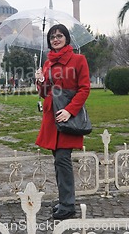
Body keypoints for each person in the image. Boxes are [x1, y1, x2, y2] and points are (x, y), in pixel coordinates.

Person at [34, 24, 90, 220]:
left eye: (59, 36)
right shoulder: (47, 63)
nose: (55, 39)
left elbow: (84, 89)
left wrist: (69, 110)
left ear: (67, 38)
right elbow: (44, 93)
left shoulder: (78, 60)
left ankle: (68, 204)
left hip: (67, 116)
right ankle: (64, 200)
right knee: (58, 161)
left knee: (62, 160)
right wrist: (40, 81)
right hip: (52, 117)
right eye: (52, 37)